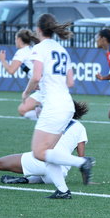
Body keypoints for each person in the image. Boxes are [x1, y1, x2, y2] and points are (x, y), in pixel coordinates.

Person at [23, 13, 94, 199]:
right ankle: (63, 191)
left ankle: (81, 162)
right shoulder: (62, 50)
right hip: (67, 104)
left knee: (38, 152)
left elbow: (36, 77)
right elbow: (70, 82)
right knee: (48, 153)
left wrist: (26, 92)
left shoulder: (39, 48)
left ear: (39, 30)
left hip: (54, 106)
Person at [0, 101, 89, 187]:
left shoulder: (52, 119)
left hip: (42, 160)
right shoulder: (80, 127)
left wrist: (38, 108)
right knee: (44, 174)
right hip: (60, 173)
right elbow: (82, 158)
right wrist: (86, 181)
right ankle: (27, 180)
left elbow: (31, 114)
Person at [0, 28, 42, 120]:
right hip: (42, 86)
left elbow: (11, 70)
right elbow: (31, 70)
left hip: (44, 88)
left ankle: (46, 115)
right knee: (22, 110)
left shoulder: (22, 52)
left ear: (19, 39)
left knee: (23, 110)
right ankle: (44, 113)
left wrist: (2, 59)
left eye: (15, 39)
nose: (15, 41)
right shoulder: (32, 49)